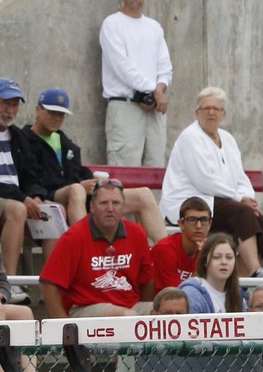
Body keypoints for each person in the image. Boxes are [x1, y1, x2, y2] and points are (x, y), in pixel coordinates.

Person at [24, 88, 166, 243]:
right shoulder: (24, 141)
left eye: (61, 114)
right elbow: (30, 180)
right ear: (38, 110)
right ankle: (88, 253)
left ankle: (168, 256)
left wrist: (94, 184)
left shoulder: (65, 143)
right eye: (52, 113)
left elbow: (77, 172)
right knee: (76, 189)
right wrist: (79, 186)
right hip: (49, 198)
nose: (57, 118)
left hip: (79, 198)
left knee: (143, 194)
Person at [160, 87, 263, 277]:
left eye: (216, 109)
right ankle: (255, 271)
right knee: (243, 213)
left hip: (219, 201)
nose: (211, 112)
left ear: (223, 114)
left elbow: (240, 177)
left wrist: (246, 196)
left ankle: (245, 279)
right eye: (206, 108)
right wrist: (238, 199)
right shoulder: (190, 136)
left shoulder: (228, 139)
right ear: (197, 112)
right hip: (189, 201)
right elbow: (204, 180)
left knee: (261, 219)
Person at [39, 179, 154, 318]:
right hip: (86, 308)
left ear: (123, 208)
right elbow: (48, 283)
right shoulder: (74, 237)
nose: (110, 208)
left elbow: (147, 279)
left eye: (116, 203)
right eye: (104, 203)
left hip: (131, 306)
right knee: (126, 316)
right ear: (92, 206)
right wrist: (64, 326)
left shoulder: (137, 233)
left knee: (167, 311)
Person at [100, 0, 172, 167]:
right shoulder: (112, 24)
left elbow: (165, 67)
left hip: (154, 108)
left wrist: (158, 90)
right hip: (125, 106)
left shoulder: (154, 27)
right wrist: (153, 90)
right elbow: (121, 66)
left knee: (156, 167)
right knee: (124, 169)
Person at [0, 78, 50, 305]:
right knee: (18, 209)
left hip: (20, 200)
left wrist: (37, 196)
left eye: (14, 105)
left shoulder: (18, 136)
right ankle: (7, 283)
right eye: (5, 103)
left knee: (53, 215)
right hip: (11, 202)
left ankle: (53, 288)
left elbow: (32, 174)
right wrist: (23, 198)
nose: (10, 110)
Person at [151, 197, 211, 291]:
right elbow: (179, 297)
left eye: (204, 220)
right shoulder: (165, 249)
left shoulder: (212, 250)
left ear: (209, 225)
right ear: (181, 224)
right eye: (192, 220)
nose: (199, 226)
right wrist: (203, 258)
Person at [179, 233, 246, 314]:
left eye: (229, 257)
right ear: (204, 262)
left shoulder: (238, 294)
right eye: (216, 257)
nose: (224, 262)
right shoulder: (191, 293)